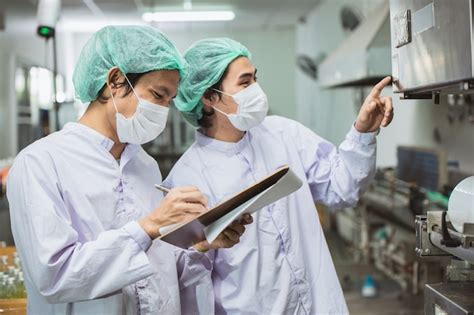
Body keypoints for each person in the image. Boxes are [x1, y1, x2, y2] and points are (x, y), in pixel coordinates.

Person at [6, 27, 251, 314]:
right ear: (115, 81)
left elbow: (156, 268)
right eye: (158, 95)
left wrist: (200, 244)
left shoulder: (144, 165)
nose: (163, 110)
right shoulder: (41, 163)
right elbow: (54, 276)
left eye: (169, 101)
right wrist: (148, 226)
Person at [164, 38, 394, 314]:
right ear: (210, 97)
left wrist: (362, 131)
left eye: (255, 79)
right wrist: (202, 245)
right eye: (245, 82)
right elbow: (181, 278)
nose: (257, 90)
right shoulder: (187, 178)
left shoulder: (284, 135)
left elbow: (342, 187)